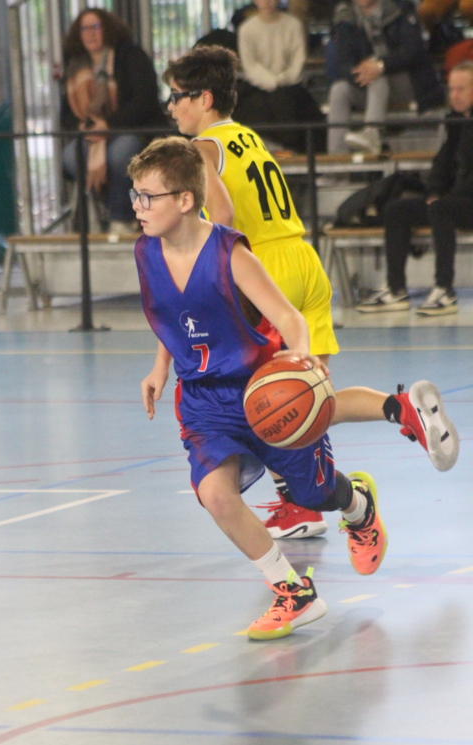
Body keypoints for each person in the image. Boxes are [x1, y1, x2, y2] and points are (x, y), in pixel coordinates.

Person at [162, 45, 459, 540]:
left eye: (176, 96)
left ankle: (303, 501)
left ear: (204, 98)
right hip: (303, 261)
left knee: (265, 404)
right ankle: (400, 409)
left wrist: (201, 262)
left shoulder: (200, 149)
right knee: (308, 399)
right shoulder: (247, 138)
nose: (170, 107)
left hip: (263, 272)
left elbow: (224, 215)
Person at [129, 135, 388, 640]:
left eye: (148, 196)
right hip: (203, 400)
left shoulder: (230, 253)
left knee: (315, 492)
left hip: (261, 388)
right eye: (134, 194)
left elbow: (289, 319)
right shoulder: (146, 252)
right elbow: (173, 314)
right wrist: (160, 366)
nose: (137, 206)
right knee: (215, 494)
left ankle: (358, 504)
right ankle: (292, 591)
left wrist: (301, 357)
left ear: (185, 200)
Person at [357, 61, 473, 315]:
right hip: (451, 201)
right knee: (396, 210)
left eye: (461, 89)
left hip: (465, 202)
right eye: (451, 89)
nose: (454, 95)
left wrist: (445, 199)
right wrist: (433, 192)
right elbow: (442, 164)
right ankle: (396, 289)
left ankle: (444, 290)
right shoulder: (455, 121)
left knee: (441, 209)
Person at [60, 7, 166, 234]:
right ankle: (100, 212)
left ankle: (121, 218)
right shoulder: (75, 65)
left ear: (107, 29)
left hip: (133, 129)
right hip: (92, 136)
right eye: (84, 29)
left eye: (95, 27)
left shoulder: (131, 56)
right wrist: (83, 126)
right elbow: (66, 115)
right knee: (71, 157)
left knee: (119, 155)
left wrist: (108, 125)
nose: (90, 33)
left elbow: (145, 101)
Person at [327, 0, 444, 155]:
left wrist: (380, 65)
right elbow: (343, 63)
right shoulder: (345, 16)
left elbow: (413, 52)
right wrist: (363, 72)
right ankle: (337, 159)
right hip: (370, 86)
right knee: (339, 89)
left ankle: (372, 132)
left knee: (378, 76)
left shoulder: (400, 8)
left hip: (409, 84)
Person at [234, 0, 326, 153]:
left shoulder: (293, 25)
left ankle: (293, 151)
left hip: (290, 86)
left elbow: (298, 59)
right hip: (258, 88)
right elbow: (250, 65)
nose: (267, 2)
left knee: (293, 107)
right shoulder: (246, 29)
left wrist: (283, 79)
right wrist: (272, 82)